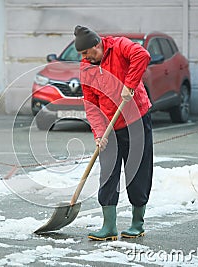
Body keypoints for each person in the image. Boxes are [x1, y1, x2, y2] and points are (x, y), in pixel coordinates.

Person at [74, 25, 153, 241]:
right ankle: (109, 226)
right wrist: (99, 133)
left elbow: (142, 55)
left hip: (136, 120)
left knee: (138, 171)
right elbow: (91, 103)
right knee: (108, 174)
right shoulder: (86, 68)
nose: (83, 57)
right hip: (111, 126)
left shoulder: (119, 45)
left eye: (84, 53)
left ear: (96, 45)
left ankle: (137, 223)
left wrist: (129, 85)